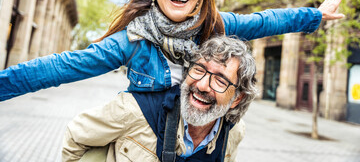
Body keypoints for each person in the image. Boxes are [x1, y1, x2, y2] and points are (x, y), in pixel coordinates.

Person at [0, 0, 345, 101]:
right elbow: (61, 67)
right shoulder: (131, 40)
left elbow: (264, 21)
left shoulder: (215, 25)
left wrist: (315, 15)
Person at [62, 36, 257, 162]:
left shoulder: (234, 131)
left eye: (220, 81)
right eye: (199, 70)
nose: (202, 85)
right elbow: (75, 136)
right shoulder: (134, 110)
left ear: (237, 99)